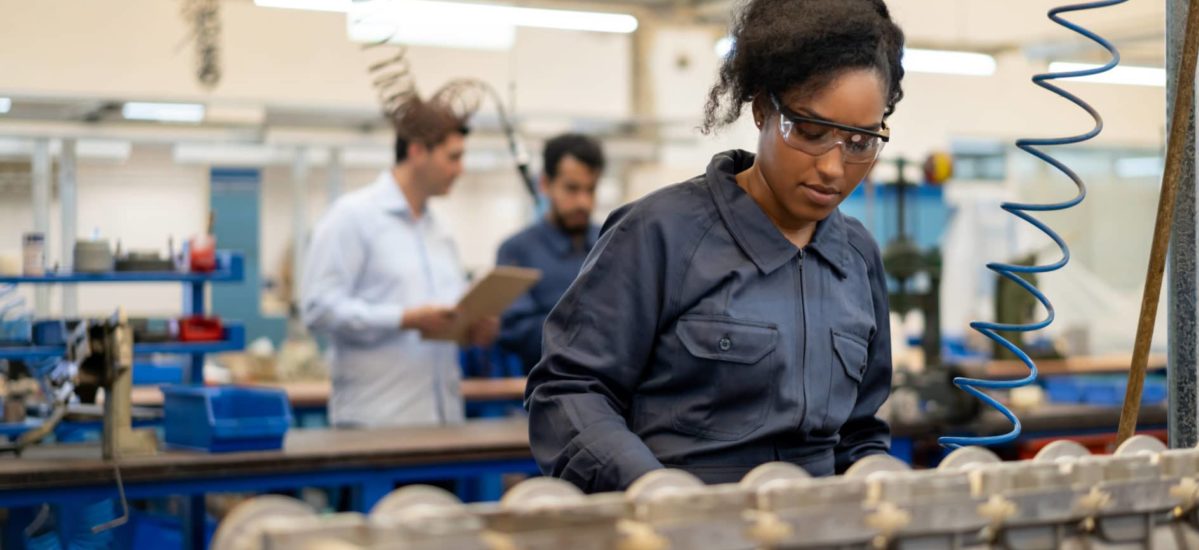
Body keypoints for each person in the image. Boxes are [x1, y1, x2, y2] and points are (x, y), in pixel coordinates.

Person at [526, 0, 903, 492]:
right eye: (810, 131)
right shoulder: (659, 234)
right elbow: (569, 392)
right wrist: (653, 492)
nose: (833, 168)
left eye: (859, 143)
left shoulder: (857, 258)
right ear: (764, 108)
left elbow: (857, 432)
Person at [301, 93, 499, 428]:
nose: (460, 170)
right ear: (417, 151)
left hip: (443, 422)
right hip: (376, 424)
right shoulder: (353, 218)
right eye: (453, 157)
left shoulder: (440, 231)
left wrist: (471, 328)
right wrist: (404, 319)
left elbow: (445, 320)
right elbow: (318, 309)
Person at [495, 134, 606, 370]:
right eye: (572, 189)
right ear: (545, 184)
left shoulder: (610, 243)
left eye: (591, 190)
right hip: (545, 392)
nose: (583, 202)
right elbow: (516, 331)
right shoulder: (517, 251)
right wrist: (593, 329)